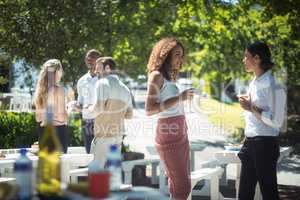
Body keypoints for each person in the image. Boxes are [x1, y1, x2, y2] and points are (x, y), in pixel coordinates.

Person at [145, 37, 194, 199]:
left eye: (182, 55)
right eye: (177, 54)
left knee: (176, 184)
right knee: (183, 187)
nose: (181, 59)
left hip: (181, 132)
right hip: (168, 134)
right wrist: (180, 97)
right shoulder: (156, 76)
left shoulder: (171, 78)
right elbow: (149, 109)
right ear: (165, 55)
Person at [238, 41, 286, 200]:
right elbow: (254, 115)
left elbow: (277, 121)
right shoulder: (254, 82)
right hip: (250, 142)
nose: (243, 60)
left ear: (257, 58)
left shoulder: (274, 85)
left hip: (265, 145)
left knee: (269, 193)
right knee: (244, 193)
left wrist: (251, 107)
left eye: (246, 56)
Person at [84, 57, 133, 167]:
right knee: (113, 173)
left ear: (107, 68)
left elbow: (98, 109)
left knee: (96, 172)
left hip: (103, 136)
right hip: (118, 137)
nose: (96, 71)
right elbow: (129, 115)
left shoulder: (102, 83)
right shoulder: (125, 89)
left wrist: (87, 109)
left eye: (98, 68)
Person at [34, 59, 69, 153]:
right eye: (61, 70)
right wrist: (69, 109)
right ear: (57, 72)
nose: (62, 72)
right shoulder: (59, 90)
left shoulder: (39, 92)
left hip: (43, 132)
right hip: (58, 133)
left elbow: (38, 118)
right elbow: (62, 117)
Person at [76, 49, 101, 153]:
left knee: (101, 151)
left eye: (92, 58)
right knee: (89, 151)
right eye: (87, 58)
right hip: (87, 121)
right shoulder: (81, 81)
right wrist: (76, 106)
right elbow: (80, 101)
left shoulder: (104, 79)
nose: (89, 60)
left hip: (101, 120)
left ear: (99, 61)